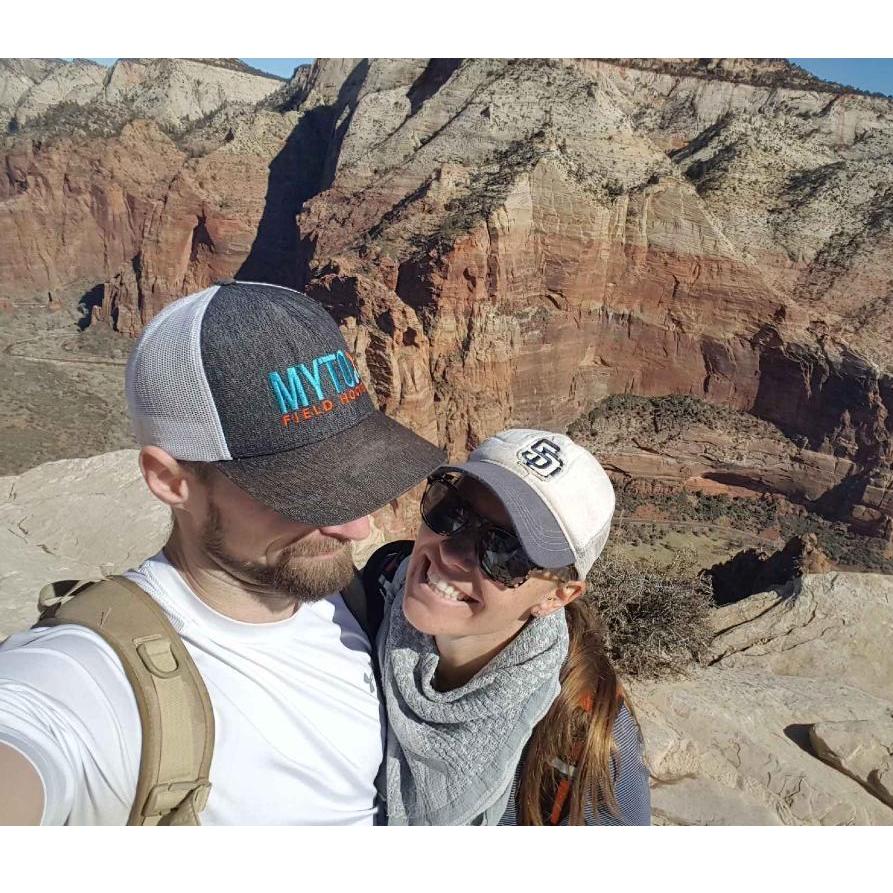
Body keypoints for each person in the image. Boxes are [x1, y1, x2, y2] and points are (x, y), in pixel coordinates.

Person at [0, 279, 445, 826]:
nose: (359, 526)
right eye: (305, 492)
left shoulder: (356, 602)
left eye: (354, 478)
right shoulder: (86, 680)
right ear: (170, 481)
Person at [370, 429, 651, 825]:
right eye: (450, 511)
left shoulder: (586, 746)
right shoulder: (375, 590)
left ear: (557, 596)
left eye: (505, 551)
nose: (451, 554)